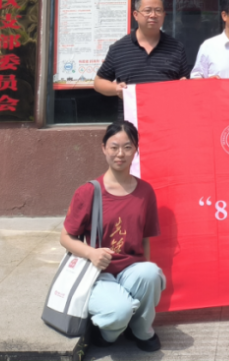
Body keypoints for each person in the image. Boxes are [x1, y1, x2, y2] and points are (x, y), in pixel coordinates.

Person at [61, 120, 166, 351]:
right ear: (104, 148)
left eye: (127, 147)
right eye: (114, 147)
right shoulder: (88, 192)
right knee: (118, 311)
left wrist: (145, 282)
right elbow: (65, 237)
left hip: (131, 270)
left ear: (136, 150)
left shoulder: (145, 192)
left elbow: (145, 239)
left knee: (150, 273)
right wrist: (91, 253)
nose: (120, 154)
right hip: (97, 273)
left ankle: (142, 330)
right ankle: (108, 335)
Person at [94, 0, 190, 97]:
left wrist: (184, 83)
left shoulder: (176, 47)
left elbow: (185, 81)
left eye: (158, 11)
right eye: (147, 11)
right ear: (136, 15)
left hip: (166, 106)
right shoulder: (118, 48)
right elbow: (99, 81)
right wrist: (115, 89)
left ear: (163, 15)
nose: (153, 15)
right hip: (133, 107)